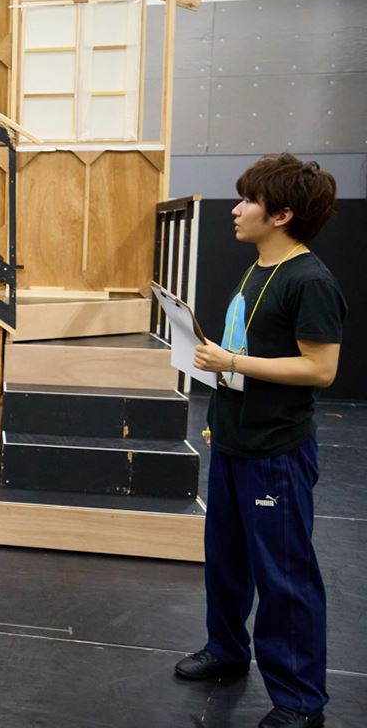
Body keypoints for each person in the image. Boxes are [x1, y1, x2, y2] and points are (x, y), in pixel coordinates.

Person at [180, 154, 345, 728]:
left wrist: (230, 362)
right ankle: (226, 649)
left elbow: (320, 369)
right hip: (234, 440)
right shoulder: (258, 269)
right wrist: (222, 403)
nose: (236, 209)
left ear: (282, 215)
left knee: (284, 576)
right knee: (227, 562)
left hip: (276, 452)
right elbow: (245, 350)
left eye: (249, 200)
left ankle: (300, 701)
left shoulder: (310, 280)